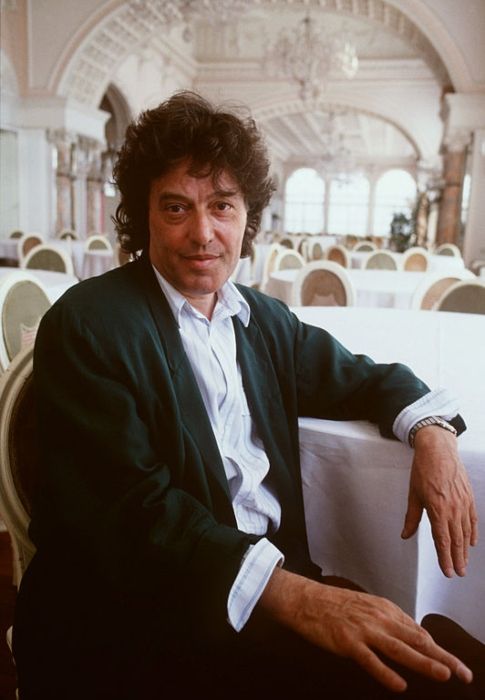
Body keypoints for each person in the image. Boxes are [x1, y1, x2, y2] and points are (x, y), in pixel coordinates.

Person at [13, 91, 480, 699]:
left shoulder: (260, 319)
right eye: (176, 207)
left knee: (453, 662)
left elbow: (363, 378)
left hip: (266, 586)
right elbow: (133, 515)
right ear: (141, 214)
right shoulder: (90, 324)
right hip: (144, 621)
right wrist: (303, 599)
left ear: (247, 216)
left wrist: (433, 433)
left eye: (223, 206)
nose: (203, 232)